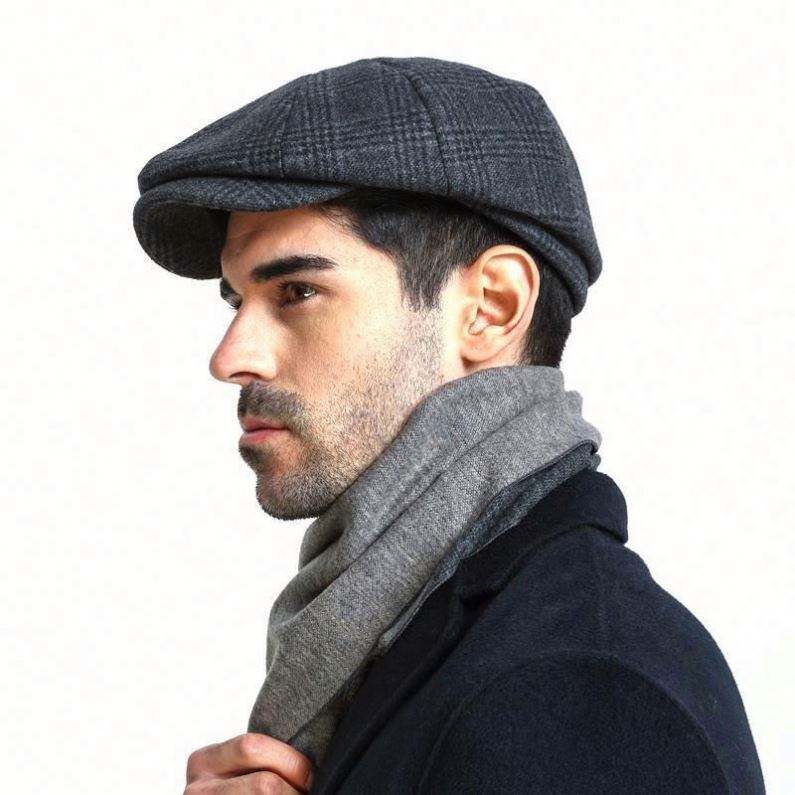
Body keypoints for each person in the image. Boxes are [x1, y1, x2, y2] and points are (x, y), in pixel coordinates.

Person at [133, 57, 765, 793]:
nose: (230, 358)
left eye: (297, 290)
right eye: (235, 301)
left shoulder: (574, 689)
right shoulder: (422, 638)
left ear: (491, 306)